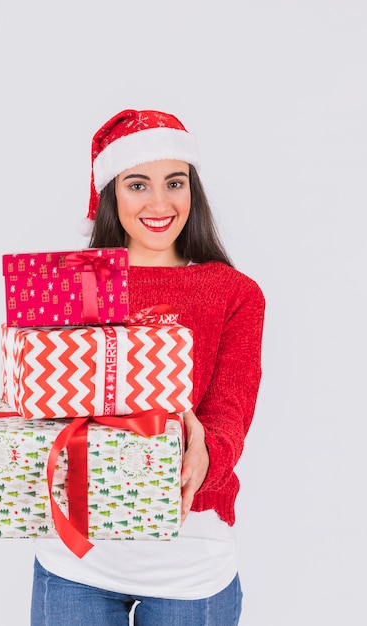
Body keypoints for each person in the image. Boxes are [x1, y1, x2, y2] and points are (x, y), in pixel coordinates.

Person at [31, 109, 265, 625]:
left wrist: (206, 456)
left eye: (174, 183)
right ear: (112, 195)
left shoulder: (234, 293)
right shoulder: (74, 286)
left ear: (192, 191)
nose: (160, 204)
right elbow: (37, 399)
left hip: (190, 563)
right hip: (76, 561)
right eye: (138, 184)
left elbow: (230, 411)